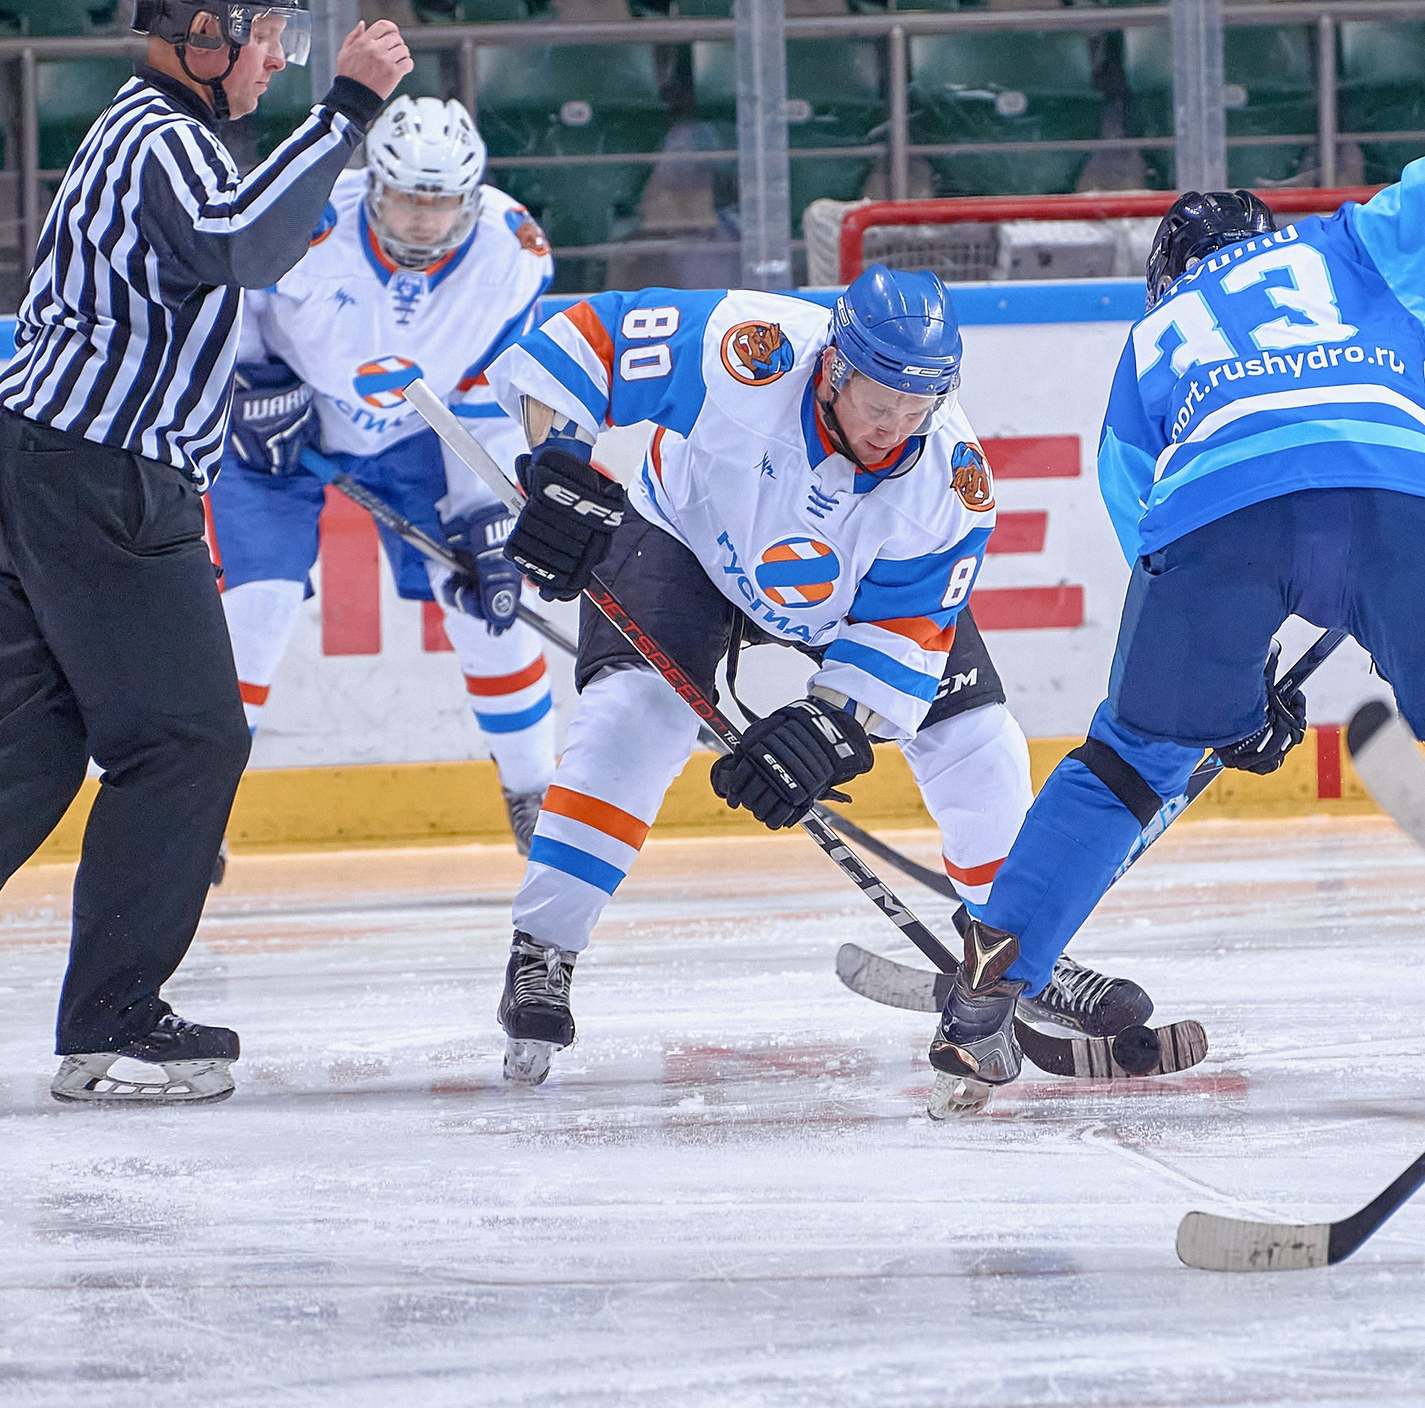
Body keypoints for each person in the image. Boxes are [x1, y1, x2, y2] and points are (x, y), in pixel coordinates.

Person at [0, 0, 413, 1112]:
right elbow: (237, 246)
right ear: (203, 31)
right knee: (188, 740)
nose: (278, 55)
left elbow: (233, 259)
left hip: (54, 468)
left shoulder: (161, 137)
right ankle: (115, 1018)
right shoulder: (161, 137)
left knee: (18, 754)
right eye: (266, 32)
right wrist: (343, 114)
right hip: (104, 480)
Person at [926, 135, 1425, 1102]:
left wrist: (1232, 691)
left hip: (1217, 521)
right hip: (1394, 496)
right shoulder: (1351, 244)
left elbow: (1144, 525)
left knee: (1126, 764)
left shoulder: (1152, 339)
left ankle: (981, 1003)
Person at [475, 266, 1151, 1084]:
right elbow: (580, 339)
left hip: (846, 605)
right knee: (635, 717)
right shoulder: (745, 349)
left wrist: (826, 730)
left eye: (916, 408)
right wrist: (556, 461)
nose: (895, 427)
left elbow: (898, 646)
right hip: (682, 534)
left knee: (979, 744)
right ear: (832, 368)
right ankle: (544, 949)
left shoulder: (951, 486)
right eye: (879, 403)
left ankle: (1020, 948)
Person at [212, 96, 558, 851]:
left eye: (442, 202)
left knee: (488, 604)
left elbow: (492, 397)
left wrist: (487, 519)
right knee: (256, 611)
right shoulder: (306, 215)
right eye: (407, 199)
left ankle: (535, 792)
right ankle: (191, 810)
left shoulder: (515, 253)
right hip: (283, 424)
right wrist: (251, 387)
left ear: (472, 196)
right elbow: (227, 298)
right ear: (375, 185)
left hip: (421, 435)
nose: (424, 220)